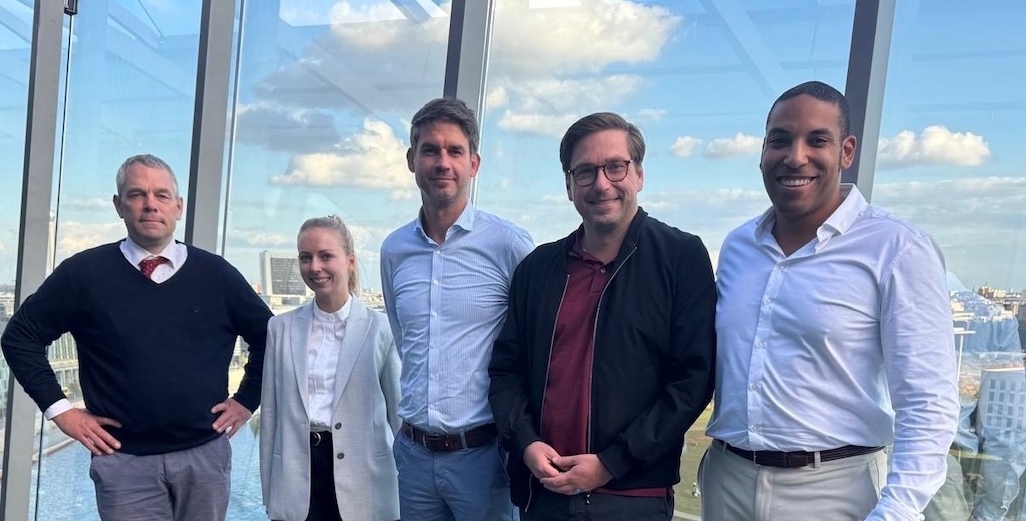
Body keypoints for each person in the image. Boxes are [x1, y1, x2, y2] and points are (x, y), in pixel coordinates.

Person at [701, 81, 960, 520]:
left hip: (836, 490)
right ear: (762, 152)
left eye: (816, 140)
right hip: (727, 480)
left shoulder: (897, 248)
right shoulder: (738, 245)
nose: (795, 156)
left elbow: (928, 400)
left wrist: (897, 510)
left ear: (847, 151)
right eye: (779, 140)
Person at [1, 154, 272, 521]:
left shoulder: (217, 275)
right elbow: (20, 338)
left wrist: (246, 401)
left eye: (161, 195)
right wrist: (61, 411)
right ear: (119, 205)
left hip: (204, 457)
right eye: (137, 194)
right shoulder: (84, 274)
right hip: (123, 463)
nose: (150, 204)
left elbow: (271, 339)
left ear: (178, 207)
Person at [488, 112, 717, 520]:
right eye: (585, 171)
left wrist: (612, 462)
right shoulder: (537, 269)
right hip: (544, 493)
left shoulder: (681, 257)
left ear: (639, 175)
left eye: (615, 167)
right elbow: (506, 370)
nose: (601, 183)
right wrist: (525, 442)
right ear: (569, 185)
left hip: (634, 497)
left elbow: (693, 380)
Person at [380, 97, 534, 520]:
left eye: (455, 151)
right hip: (413, 457)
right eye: (430, 150)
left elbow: (534, 345)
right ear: (412, 160)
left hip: (485, 459)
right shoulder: (394, 250)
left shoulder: (509, 245)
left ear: (474, 164)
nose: (442, 162)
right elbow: (404, 338)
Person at [260, 215, 402, 521]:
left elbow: (398, 418)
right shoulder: (279, 329)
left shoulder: (381, 329)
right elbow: (270, 418)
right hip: (296, 482)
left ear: (349, 261)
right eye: (305, 257)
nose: (315, 267)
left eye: (326, 256)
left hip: (366, 484)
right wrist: (270, 494)